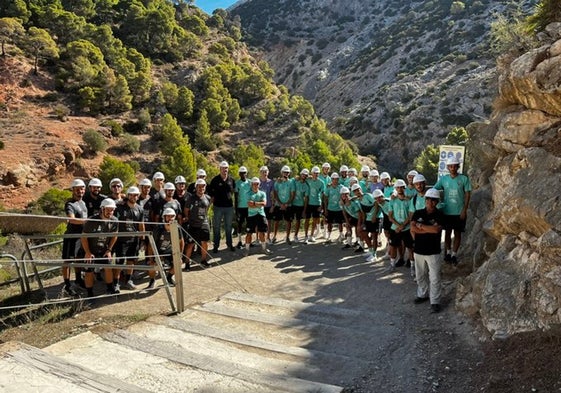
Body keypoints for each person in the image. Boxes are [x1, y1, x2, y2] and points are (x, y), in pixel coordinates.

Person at [410, 188, 445, 313]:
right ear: (425, 200)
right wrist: (427, 228)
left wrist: (420, 227)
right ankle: (422, 294)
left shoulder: (440, 214)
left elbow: (436, 230)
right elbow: (412, 229)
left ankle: (435, 301)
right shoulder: (418, 213)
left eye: (433, 200)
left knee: (434, 277)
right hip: (419, 250)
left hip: (433, 251)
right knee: (420, 275)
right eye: (429, 199)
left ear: (437, 202)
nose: (431, 202)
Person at [434, 157, 472, 265]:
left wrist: (464, 209)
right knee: (447, 233)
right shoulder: (444, 179)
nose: (453, 168)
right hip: (446, 211)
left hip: (459, 211)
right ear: (447, 167)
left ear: (458, 167)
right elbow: (434, 189)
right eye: (450, 166)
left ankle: (454, 255)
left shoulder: (464, 179)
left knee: (457, 233)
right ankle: (448, 253)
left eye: (455, 166)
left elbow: (468, 194)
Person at [81, 198, 119, 296]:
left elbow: (115, 235)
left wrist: (109, 249)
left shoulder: (114, 221)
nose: (110, 212)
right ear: (102, 209)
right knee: (89, 270)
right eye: (108, 209)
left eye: (112, 210)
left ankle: (110, 288)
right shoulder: (91, 221)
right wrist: (88, 252)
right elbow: (84, 237)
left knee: (108, 266)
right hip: (90, 249)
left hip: (104, 249)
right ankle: (89, 294)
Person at [114, 186, 145, 291]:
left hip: (134, 240)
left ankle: (128, 280)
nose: (134, 197)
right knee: (119, 262)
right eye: (132, 195)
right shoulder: (120, 207)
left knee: (131, 261)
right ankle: (116, 283)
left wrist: (142, 238)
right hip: (121, 240)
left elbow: (141, 224)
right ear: (128, 195)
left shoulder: (140, 209)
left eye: (136, 195)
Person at [61, 179, 88, 295]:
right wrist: (87, 222)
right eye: (77, 189)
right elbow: (71, 219)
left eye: (81, 189)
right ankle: (67, 285)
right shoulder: (70, 204)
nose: (80, 191)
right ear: (73, 190)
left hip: (81, 236)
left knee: (78, 259)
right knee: (68, 261)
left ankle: (78, 279)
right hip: (71, 236)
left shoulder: (83, 203)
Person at [208, 161, 236, 253]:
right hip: (218, 207)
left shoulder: (231, 180)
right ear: (220, 169)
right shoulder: (215, 180)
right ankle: (216, 245)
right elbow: (211, 195)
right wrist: (209, 207)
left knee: (228, 227)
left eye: (226, 168)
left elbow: (232, 193)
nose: (225, 170)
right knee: (217, 227)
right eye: (223, 168)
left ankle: (229, 244)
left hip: (229, 207)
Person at [184, 178, 212, 269]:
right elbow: (186, 210)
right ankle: (187, 263)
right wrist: (189, 218)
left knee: (204, 243)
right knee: (190, 245)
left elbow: (207, 209)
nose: (201, 188)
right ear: (196, 187)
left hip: (204, 224)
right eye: (199, 187)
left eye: (203, 186)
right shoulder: (191, 198)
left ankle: (204, 260)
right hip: (193, 225)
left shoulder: (207, 198)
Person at [152, 208, 184, 287]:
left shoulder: (177, 228)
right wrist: (151, 258)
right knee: (153, 267)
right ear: (164, 217)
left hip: (169, 251)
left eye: (172, 216)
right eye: (168, 216)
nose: (170, 218)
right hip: (157, 251)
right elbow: (151, 244)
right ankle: (152, 281)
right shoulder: (158, 228)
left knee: (179, 263)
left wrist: (180, 255)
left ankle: (169, 277)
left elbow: (181, 242)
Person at [388, 179, 413, 271]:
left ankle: (412, 267)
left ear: (404, 188)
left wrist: (402, 226)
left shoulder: (409, 201)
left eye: (401, 187)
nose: (399, 189)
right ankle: (392, 265)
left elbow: (411, 215)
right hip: (395, 228)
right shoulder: (392, 201)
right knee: (394, 246)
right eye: (397, 187)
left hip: (407, 228)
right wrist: (399, 226)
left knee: (410, 247)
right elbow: (390, 216)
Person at [245, 177, 271, 256]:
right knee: (249, 233)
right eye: (254, 184)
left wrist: (254, 203)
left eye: (257, 184)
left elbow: (264, 203)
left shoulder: (262, 193)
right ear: (251, 185)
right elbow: (249, 205)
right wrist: (259, 204)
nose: (255, 185)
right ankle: (247, 250)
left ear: (259, 185)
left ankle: (263, 248)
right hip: (251, 215)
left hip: (261, 215)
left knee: (262, 233)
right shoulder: (248, 193)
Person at [272, 165, 295, 244]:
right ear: (282, 173)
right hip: (278, 205)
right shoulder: (278, 182)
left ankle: (287, 237)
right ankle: (274, 236)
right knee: (276, 221)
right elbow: (275, 194)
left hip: (288, 206)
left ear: (289, 173)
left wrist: (286, 204)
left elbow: (292, 195)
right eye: (284, 172)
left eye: (287, 172)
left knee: (288, 221)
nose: (286, 173)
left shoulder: (291, 182)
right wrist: (280, 204)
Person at [304, 166, 325, 243]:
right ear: (312, 173)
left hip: (317, 203)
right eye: (314, 173)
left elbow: (323, 195)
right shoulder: (308, 180)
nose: (316, 174)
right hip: (309, 203)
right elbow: (300, 178)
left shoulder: (321, 183)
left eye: (317, 173)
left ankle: (311, 235)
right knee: (307, 220)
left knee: (315, 220)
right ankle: (306, 236)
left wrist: (321, 206)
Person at [323, 172, 344, 243]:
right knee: (329, 223)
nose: (335, 180)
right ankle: (328, 236)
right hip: (330, 208)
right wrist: (325, 209)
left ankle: (341, 235)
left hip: (339, 208)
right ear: (331, 179)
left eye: (336, 179)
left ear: (338, 179)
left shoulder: (341, 187)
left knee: (340, 223)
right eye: (333, 179)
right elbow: (325, 198)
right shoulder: (328, 187)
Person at [234, 166, 250, 249]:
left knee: (249, 224)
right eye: (241, 173)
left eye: (244, 173)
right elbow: (236, 198)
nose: (243, 174)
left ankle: (248, 241)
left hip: (249, 207)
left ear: (246, 173)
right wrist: (236, 210)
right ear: (239, 174)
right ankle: (240, 241)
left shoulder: (250, 182)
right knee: (239, 224)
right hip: (240, 207)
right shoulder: (237, 183)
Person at [258, 165, 275, 243]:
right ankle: (258, 239)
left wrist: (272, 205)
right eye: (263, 172)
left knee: (269, 222)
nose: (264, 173)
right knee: (258, 223)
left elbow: (272, 195)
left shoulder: (271, 182)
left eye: (266, 172)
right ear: (260, 173)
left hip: (268, 205)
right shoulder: (257, 182)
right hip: (259, 206)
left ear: (268, 172)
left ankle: (268, 238)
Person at [292, 169, 309, 242]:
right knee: (289, 221)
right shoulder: (295, 181)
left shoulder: (306, 186)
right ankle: (288, 236)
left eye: (305, 175)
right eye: (303, 174)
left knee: (298, 221)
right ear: (300, 174)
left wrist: (304, 210)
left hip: (300, 205)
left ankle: (296, 236)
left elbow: (306, 199)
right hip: (292, 204)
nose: (304, 176)